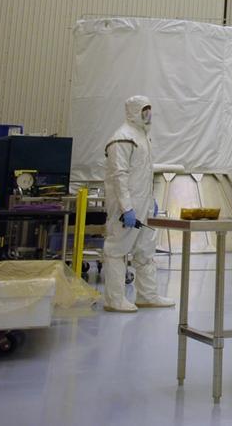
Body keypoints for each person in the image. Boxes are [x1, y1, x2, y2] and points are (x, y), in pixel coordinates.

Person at [102, 96, 175, 312]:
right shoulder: (122, 138)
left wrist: (150, 200)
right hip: (126, 206)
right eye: (144, 110)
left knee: (145, 250)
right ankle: (114, 300)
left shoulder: (142, 137)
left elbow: (143, 173)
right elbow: (119, 175)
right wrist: (126, 207)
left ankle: (147, 295)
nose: (148, 114)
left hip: (143, 204)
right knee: (117, 249)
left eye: (149, 109)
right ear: (134, 111)